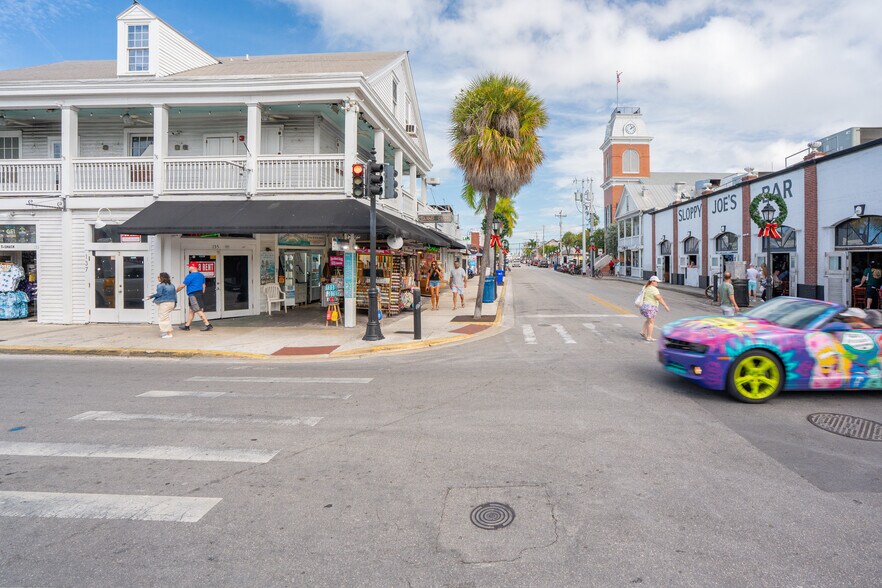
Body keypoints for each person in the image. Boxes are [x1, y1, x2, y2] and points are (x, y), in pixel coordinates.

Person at [176, 262, 213, 331]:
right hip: (199, 294)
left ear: (193, 267)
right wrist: (201, 294)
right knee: (191, 311)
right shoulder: (201, 275)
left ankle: (208, 324)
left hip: (193, 295)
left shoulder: (190, 276)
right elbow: (204, 286)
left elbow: (182, 285)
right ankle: (187, 326)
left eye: (189, 266)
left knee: (198, 310)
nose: (188, 267)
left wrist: (175, 291)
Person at [145, 272, 178, 338]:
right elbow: (175, 294)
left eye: (158, 277)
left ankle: (169, 334)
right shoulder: (172, 285)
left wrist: (150, 297)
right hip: (172, 302)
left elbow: (159, 294)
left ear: (162, 278)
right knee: (166, 317)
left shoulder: (160, 285)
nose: (157, 278)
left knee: (163, 318)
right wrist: (175, 303)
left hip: (165, 303)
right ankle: (166, 332)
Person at [639, 275, 670, 342]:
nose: (657, 283)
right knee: (651, 322)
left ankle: (643, 331)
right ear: (652, 281)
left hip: (644, 306)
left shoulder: (645, 287)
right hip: (650, 307)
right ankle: (649, 337)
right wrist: (665, 306)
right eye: (656, 282)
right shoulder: (654, 289)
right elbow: (658, 298)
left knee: (648, 319)